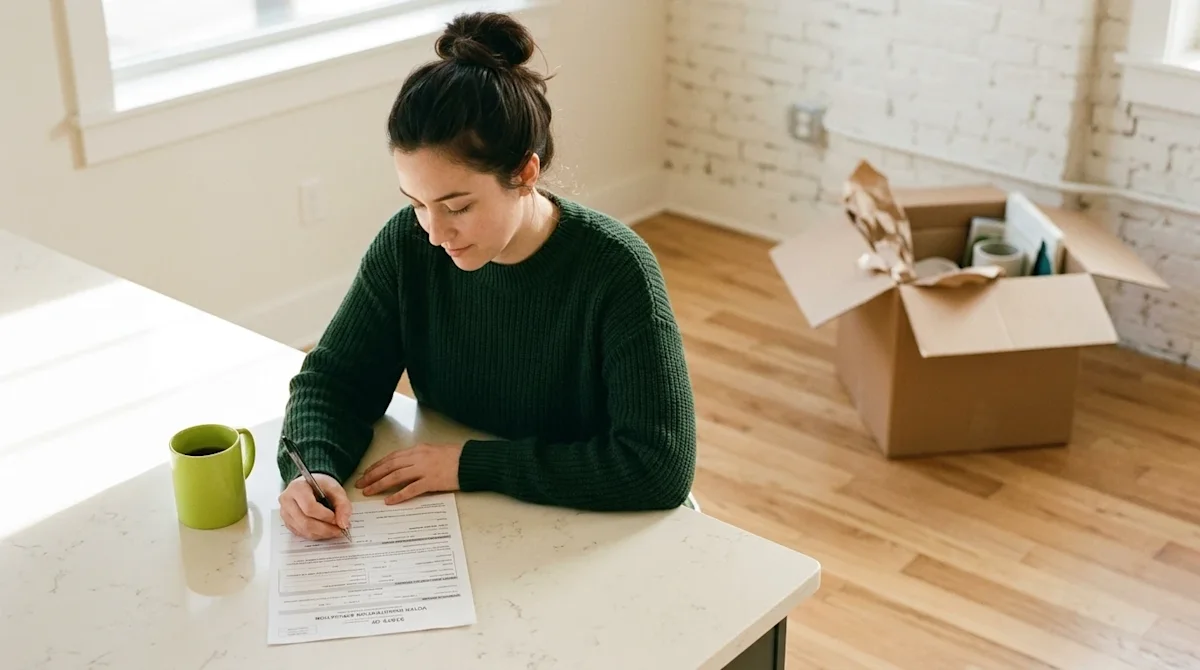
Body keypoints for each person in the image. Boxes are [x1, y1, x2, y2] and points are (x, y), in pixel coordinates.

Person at [275, 11, 697, 541]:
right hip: (477, 527)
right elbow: (336, 383)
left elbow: (657, 467)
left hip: (595, 526)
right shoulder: (408, 246)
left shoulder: (615, 270)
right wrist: (311, 470)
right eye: (418, 204)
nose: (435, 232)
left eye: (457, 205)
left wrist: (469, 466)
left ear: (525, 173)